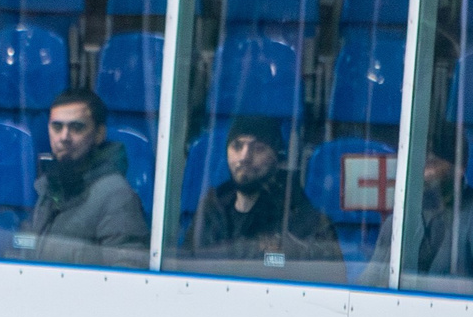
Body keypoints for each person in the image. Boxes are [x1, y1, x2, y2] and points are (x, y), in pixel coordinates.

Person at [185, 116, 341, 266]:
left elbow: (329, 272)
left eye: (258, 148)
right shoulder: (211, 209)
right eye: (237, 146)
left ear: (276, 159)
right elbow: (188, 265)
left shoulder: (297, 214)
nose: (244, 157)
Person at [26, 89, 146, 262]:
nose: (64, 137)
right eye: (57, 127)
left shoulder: (117, 196)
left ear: (99, 134)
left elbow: (127, 274)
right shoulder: (47, 188)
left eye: (76, 127)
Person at [370, 151, 473, 280]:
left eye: (433, 163)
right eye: (422, 163)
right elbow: (369, 281)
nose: (426, 173)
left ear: (459, 168)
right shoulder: (398, 220)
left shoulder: (469, 216)